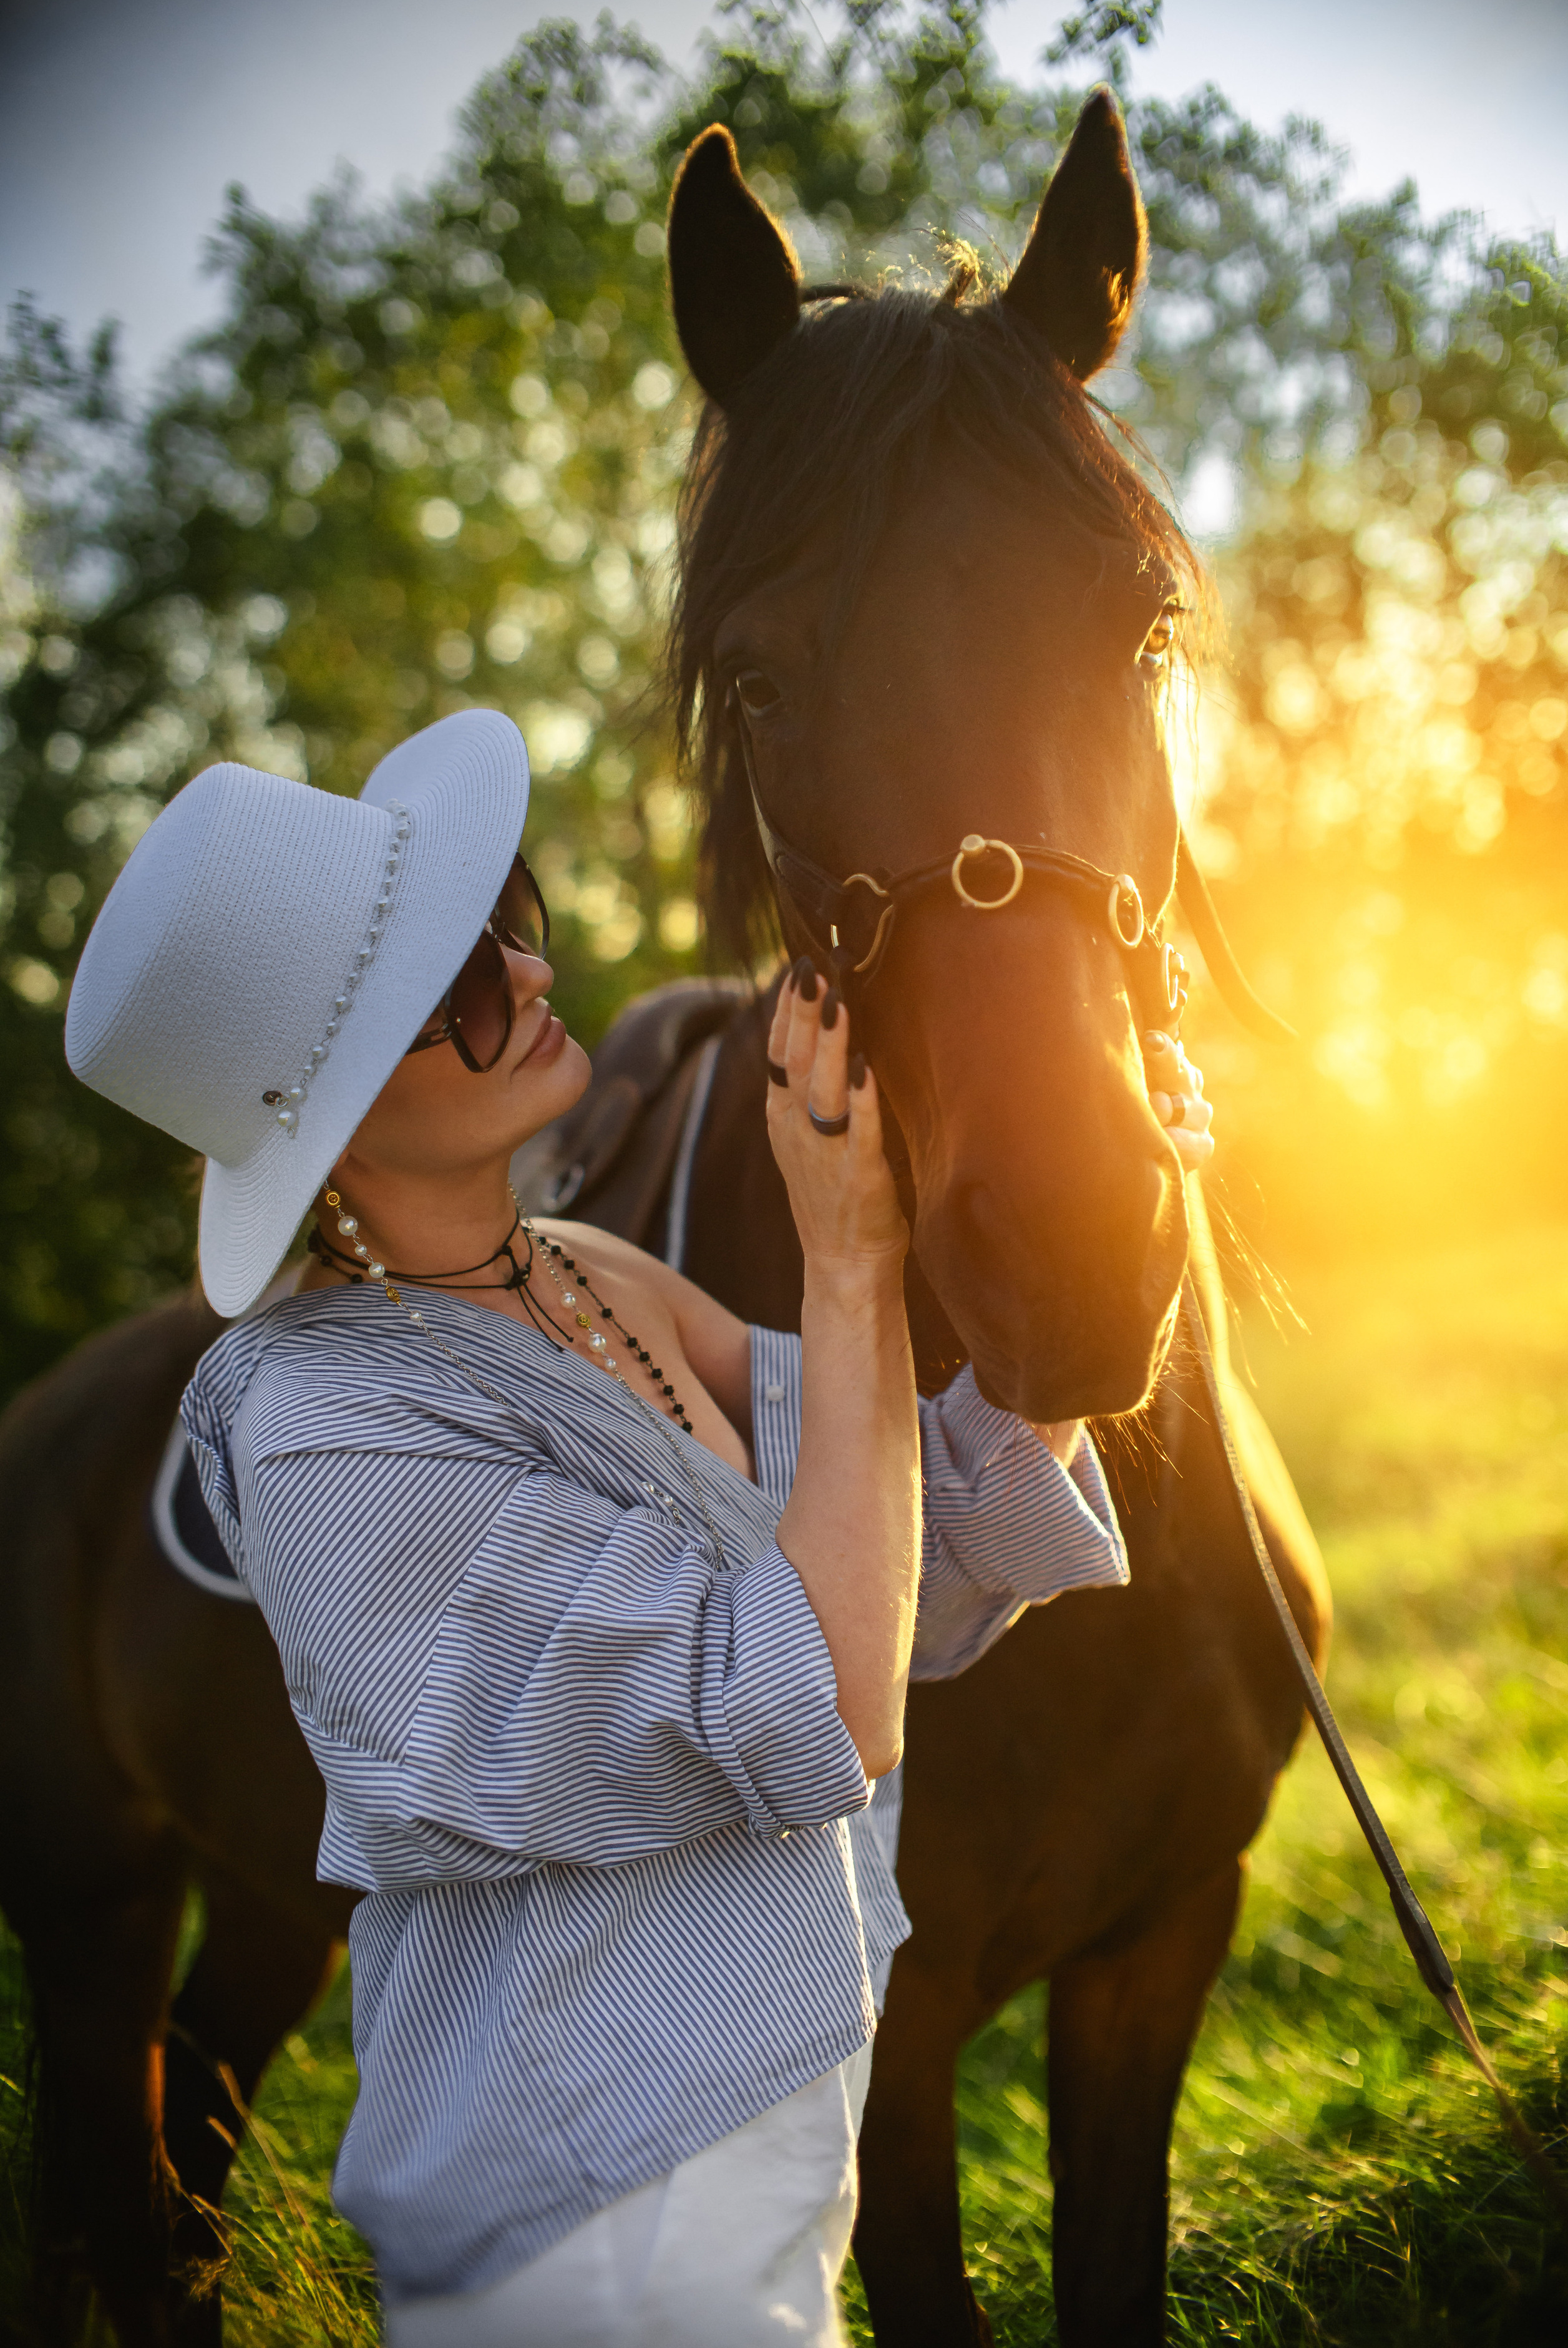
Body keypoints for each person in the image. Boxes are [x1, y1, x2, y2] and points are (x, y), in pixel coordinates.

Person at [64, 709, 1213, 2347]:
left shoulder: (597, 1279)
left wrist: (1094, 1259)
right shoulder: (322, 1432)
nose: (533, 980)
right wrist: (844, 1253)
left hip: (774, 2120)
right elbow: (826, 1698)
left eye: (511, 924)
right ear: (331, 1120)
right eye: (460, 986)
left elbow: (912, 1527)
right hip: (578, 2206)